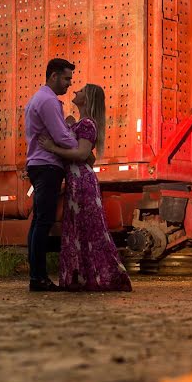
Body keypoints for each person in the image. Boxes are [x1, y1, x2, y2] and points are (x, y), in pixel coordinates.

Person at [39, 84, 132, 292]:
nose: (75, 92)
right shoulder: (82, 123)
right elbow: (88, 157)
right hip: (76, 181)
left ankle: (101, 277)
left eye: (80, 91)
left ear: (87, 99)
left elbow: (81, 155)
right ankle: (84, 278)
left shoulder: (88, 124)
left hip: (82, 183)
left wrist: (52, 147)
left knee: (88, 230)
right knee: (79, 230)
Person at [24, 58, 78, 292]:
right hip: (47, 165)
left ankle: (37, 275)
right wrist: (81, 145)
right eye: (66, 78)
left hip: (39, 164)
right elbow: (60, 137)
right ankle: (38, 278)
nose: (69, 84)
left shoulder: (38, 98)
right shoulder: (48, 101)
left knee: (38, 222)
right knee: (43, 222)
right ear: (53, 76)